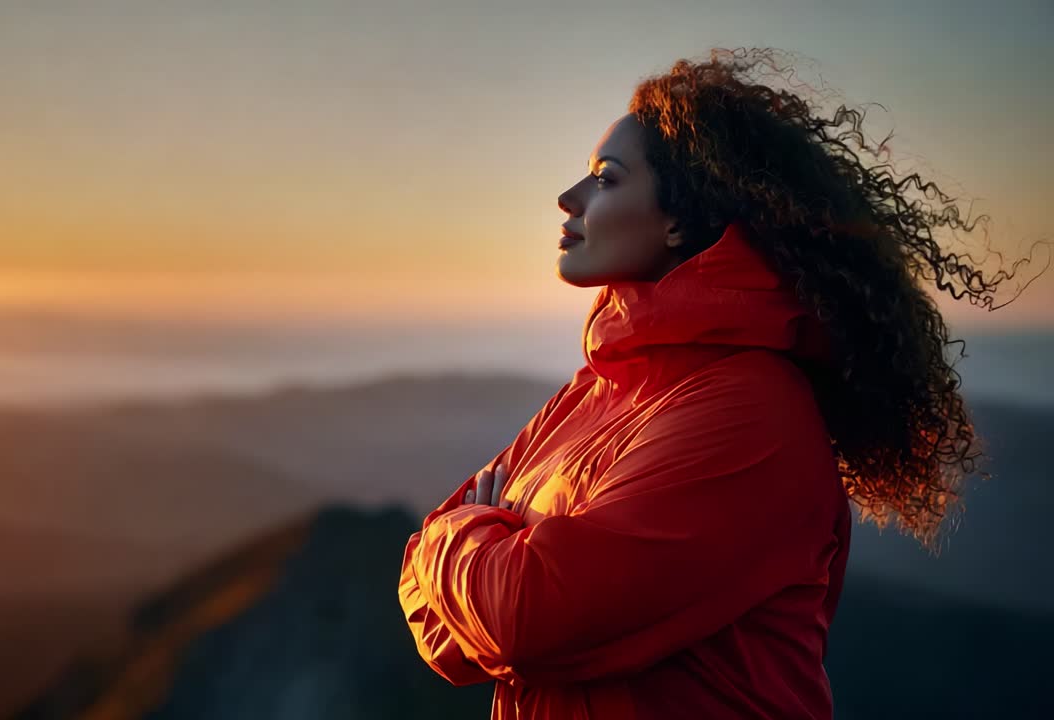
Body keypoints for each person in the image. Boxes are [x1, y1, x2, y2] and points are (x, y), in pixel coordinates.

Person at [398, 47, 1041, 719]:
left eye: (606, 179)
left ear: (679, 219)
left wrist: (467, 527)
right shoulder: (595, 390)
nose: (569, 198)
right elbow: (438, 632)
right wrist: (483, 550)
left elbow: (525, 620)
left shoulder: (755, 414)